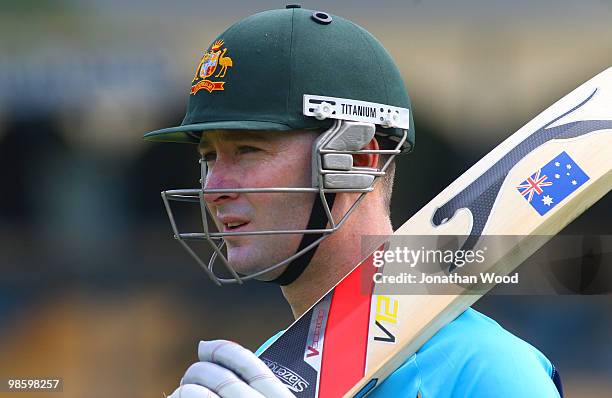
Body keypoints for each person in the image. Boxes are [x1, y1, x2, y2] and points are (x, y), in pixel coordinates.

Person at [145, 6, 563, 398]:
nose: (213, 186)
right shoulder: (268, 368)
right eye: (208, 157)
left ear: (359, 159)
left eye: (248, 150)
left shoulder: (489, 370)